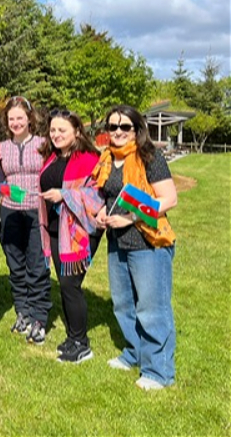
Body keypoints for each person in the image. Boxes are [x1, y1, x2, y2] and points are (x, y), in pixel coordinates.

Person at [94, 105, 178, 390]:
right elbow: (108, 195)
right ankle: (134, 353)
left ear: (137, 129)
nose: (118, 132)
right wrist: (102, 212)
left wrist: (131, 217)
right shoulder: (108, 158)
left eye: (124, 127)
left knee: (152, 309)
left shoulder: (149, 156)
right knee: (123, 304)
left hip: (148, 242)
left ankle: (158, 371)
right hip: (117, 242)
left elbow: (169, 199)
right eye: (112, 126)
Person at [38, 108, 102, 364]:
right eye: (52, 130)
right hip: (56, 230)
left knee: (69, 285)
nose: (56, 134)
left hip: (80, 231)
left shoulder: (90, 159)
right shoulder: (52, 158)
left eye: (62, 130)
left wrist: (64, 195)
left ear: (76, 131)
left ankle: (81, 344)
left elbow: (98, 196)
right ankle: (73, 337)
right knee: (64, 285)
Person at [0, 96, 50, 344]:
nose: (16, 123)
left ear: (29, 118)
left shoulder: (43, 144)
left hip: (36, 211)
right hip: (10, 212)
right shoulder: (0, 148)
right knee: (15, 266)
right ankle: (23, 311)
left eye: (20, 118)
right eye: (11, 119)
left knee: (37, 266)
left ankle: (39, 317)